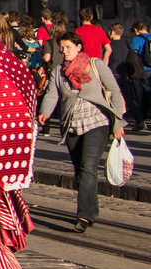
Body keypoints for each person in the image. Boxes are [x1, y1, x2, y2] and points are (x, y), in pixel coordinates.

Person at [38, 31, 126, 232]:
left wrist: (118, 122)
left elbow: (115, 90)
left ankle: (84, 216)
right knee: (80, 171)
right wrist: (45, 112)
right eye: (62, 48)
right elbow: (52, 94)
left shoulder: (95, 65)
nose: (64, 51)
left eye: (68, 47)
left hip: (98, 122)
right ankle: (92, 209)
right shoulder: (59, 72)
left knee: (88, 167)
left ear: (79, 47)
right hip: (72, 126)